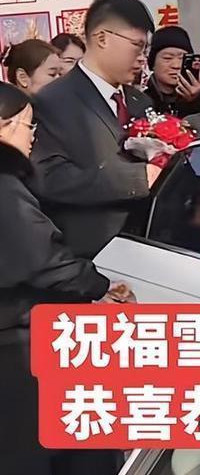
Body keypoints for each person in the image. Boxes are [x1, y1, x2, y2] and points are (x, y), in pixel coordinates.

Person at [0, 82, 128, 475]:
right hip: (18, 342)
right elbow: (44, 260)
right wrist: (99, 287)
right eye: (29, 126)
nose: (33, 137)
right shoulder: (5, 188)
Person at [32, 0, 161, 260]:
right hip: (92, 257)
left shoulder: (140, 101)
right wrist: (139, 178)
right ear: (102, 38)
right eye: (137, 46)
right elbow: (50, 179)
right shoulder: (53, 101)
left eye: (146, 49)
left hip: (149, 247)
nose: (142, 59)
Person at [145, 25, 200, 116]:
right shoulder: (140, 100)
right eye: (167, 58)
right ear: (152, 63)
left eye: (182, 58)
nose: (176, 65)